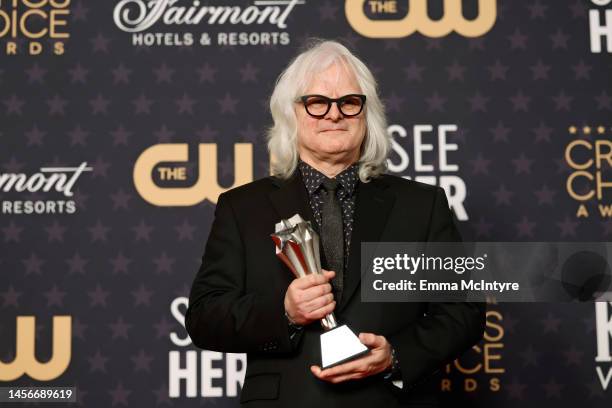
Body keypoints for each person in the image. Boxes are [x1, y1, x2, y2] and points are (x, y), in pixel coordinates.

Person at [185, 40, 485, 407]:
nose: (334, 114)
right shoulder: (242, 207)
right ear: (290, 114)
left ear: (366, 113)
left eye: (349, 102)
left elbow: (462, 311)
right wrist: (284, 312)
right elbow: (204, 317)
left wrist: (395, 355)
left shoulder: (422, 205)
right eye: (317, 102)